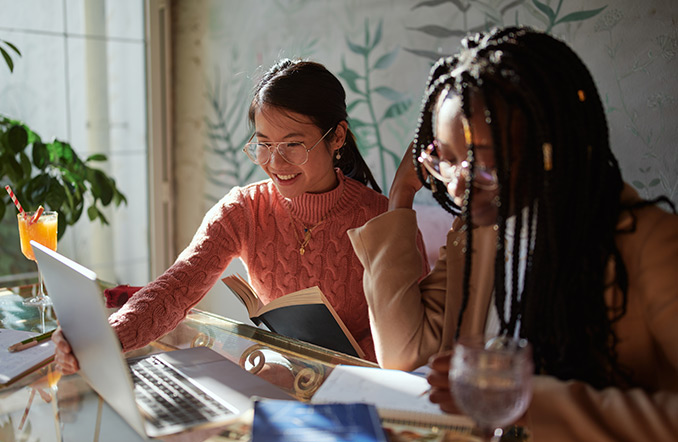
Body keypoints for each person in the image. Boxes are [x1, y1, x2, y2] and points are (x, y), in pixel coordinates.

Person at [348, 26, 678, 442]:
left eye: (485, 161)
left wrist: (531, 402)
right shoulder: (479, 238)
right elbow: (403, 353)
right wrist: (400, 196)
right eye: (442, 158)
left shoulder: (647, 244)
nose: (459, 183)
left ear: (552, 149)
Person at [53, 59, 430, 372]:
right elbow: (176, 287)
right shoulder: (244, 210)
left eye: (293, 145)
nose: (275, 163)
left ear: (337, 137)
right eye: (264, 145)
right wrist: (107, 337)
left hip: (362, 389)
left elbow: (416, 333)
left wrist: (340, 368)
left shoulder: (383, 218)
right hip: (277, 379)